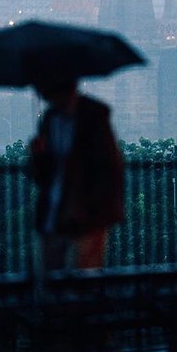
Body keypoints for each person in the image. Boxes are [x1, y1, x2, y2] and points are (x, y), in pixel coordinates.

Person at [29, 78, 124, 273]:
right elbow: (41, 176)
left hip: (84, 217)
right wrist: (38, 157)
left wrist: (92, 209)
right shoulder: (49, 118)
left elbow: (108, 167)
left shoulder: (94, 115)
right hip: (53, 216)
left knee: (83, 279)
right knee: (50, 278)